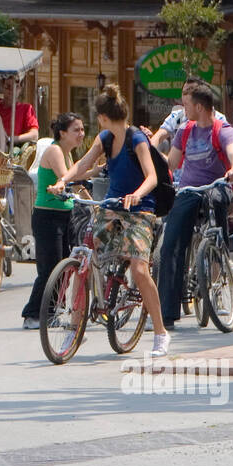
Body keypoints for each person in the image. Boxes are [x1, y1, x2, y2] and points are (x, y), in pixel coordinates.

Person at [47, 86, 172, 356]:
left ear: (103, 116)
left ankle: (161, 333)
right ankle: (73, 330)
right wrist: (63, 181)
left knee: (139, 269)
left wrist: (136, 195)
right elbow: (83, 163)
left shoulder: (136, 139)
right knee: (83, 259)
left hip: (140, 209)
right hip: (111, 206)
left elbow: (151, 176)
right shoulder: (104, 138)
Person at [158, 83, 233, 329]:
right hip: (189, 190)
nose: (182, 109)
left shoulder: (223, 129)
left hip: (217, 186)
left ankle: (219, 271)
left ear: (199, 106)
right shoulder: (185, 131)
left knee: (217, 207)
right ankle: (168, 311)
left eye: (186, 105)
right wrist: (150, 153)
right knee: (170, 246)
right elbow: (172, 164)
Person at [21, 113, 84, 329]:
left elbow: (76, 181)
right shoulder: (55, 150)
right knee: (50, 269)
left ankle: (52, 311)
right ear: (62, 133)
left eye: (82, 129)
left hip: (65, 215)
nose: (81, 134)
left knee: (64, 265)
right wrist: (85, 174)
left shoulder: (68, 153)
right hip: (48, 216)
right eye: (76, 130)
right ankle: (32, 314)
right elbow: (67, 177)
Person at [149, 76, 229, 153]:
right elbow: (158, 137)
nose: (186, 96)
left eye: (190, 92)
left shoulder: (219, 119)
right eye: (184, 93)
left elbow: (229, 147)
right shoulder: (178, 116)